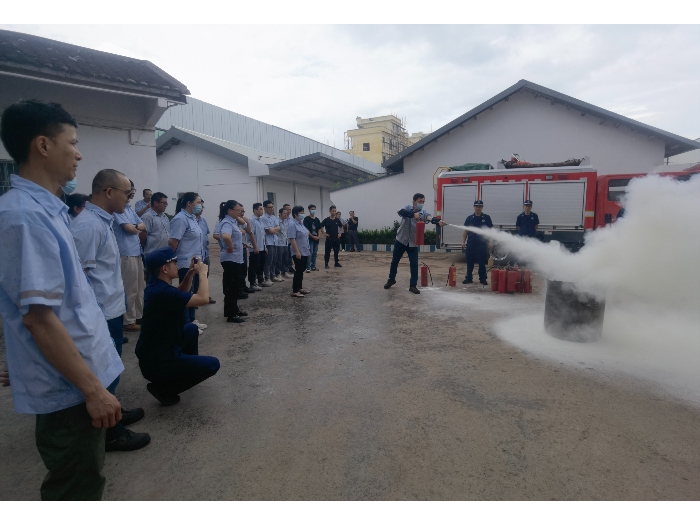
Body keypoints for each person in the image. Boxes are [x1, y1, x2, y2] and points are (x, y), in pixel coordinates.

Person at [0, 100, 122, 500]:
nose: (79, 153)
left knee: (85, 479)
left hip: (75, 374)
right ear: (43, 145)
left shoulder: (46, 210)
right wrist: (93, 391)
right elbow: (39, 319)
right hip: (69, 389)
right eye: (72, 142)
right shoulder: (24, 216)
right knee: (76, 488)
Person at [70, 169, 151, 452]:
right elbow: (79, 279)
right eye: (126, 194)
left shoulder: (103, 221)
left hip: (111, 310)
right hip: (100, 316)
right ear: (108, 192)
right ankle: (110, 433)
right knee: (104, 372)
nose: (129, 200)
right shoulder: (88, 226)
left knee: (112, 370)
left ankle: (113, 410)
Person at [137, 247, 220, 406]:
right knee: (213, 364)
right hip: (159, 362)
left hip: (154, 354)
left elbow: (180, 294)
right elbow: (202, 299)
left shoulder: (157, 286)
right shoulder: (162, 293)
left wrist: (190, 274)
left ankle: (185, 372)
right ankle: (166, 389)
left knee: (192, 329)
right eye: (174, 262)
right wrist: (203, 273)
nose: (177, 265)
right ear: (165, 268)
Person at [384, 193, 444, 294]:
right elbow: (399, 211)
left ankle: (413, 285)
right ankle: (391, 279)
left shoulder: (423, 213)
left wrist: (438, 221)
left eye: (423, 202)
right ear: (414, 202)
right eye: (420, 201)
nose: (421, 204)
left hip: (413, 242)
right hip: (401, 240)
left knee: (414, 264)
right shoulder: (407, 207)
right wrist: (412, 214)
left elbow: (429, 217)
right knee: (395, 261)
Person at [113, 180, 146, 332]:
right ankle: (128, 321)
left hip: (137, 252)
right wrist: (135, 228)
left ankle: (139, 315)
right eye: (130, 189)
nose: (132, 192)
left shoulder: (129, 208)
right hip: (126, 254)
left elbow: (142, 225)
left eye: (133, 189)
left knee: (140, 288)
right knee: (130, 289)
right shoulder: (117, 210)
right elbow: (129, 229)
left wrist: (135, 227)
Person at [169, 192, 205, 327]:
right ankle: (185, 324)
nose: (200, 205)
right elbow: (173, 242)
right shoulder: (180, 219)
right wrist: (172, 261)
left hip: (195, 261)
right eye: (198, 202)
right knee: (185, 294)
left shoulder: (192, 218)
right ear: (189, 203)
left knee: (193, 292)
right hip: (185, 262)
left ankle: (192, 320)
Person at [218, 200, 247, 323]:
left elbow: (244, 224)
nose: (239, 213)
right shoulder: (226, 222)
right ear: (230, 210)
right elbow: (225, 236)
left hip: (235, 259)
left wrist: (238, 216)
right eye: (237, 210)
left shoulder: (232, 221)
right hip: (230, 259)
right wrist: (231, 247)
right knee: (231, 286)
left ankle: (234, 309)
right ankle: (231, 314)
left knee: (235, 286)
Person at [461, 200, 493, 285]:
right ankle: (468, 278)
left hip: (482, 245)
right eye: (476, 206)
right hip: (471, 244)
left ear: (482, 207)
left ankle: (482, 279)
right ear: (474, 207)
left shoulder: (486, 218)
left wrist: (490, 241)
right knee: (469, 262)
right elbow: (465, 231)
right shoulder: (469, 218)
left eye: (479, 206)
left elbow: (490, 231)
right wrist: (463, 242)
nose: (478, 208)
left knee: (482, 262)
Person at [287, 206, 311, 298]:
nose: (302, 214)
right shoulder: (292, 224)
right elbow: (292, 239)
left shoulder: (301, 224)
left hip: (304, 250)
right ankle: (295, 290)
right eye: (301, 213)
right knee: (298, 270)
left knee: (302, 270)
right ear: (295, 214)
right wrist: (297, 252)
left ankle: (300, 287)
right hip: (298, 251)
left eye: (303, 212)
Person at [238, 206, 260, 293]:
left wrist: (247, 223)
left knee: (243, 269)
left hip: (243, 248)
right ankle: (239, 288)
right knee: (238, 270)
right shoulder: (230, 222)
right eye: (240, 211)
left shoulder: (243, 221)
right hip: (235, 250)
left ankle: (243, 286)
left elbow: (249, 232)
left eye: (243, 211)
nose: (242, 213)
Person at [142, 191, 171, 258]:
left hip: (164, 252)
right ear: (156, 203)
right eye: (164, 203)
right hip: (153, 253)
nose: (165, 205)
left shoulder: (165, 217)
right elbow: (142, 237)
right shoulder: (147, 217)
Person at [261, 200, 281, 286]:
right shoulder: (263, 218)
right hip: (268, 242)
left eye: (272, 207)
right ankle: (267, 277)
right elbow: (267, 230)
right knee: (268, 261)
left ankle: (273, 275)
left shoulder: (274, 217)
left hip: (275, 241)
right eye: (269, 207)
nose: (271, 209)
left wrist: (273, 230)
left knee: (274, 260)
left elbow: (278, 228)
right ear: (265, 208)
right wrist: (272, 230)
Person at [250, 203, 268, 288]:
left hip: (262, 247)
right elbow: (251, 234)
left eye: (262, 209)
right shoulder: (251, 220)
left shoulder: (261, 220)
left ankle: (261, 281)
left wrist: (265, 246)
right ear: (255, 210)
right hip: (255, 248)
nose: (262, 211)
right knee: (254, 266)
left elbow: (263, 235)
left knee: (261, 265)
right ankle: (252, 283)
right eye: (260, 209)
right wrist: (255, 246)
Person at [303, 204, 322, 272]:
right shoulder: (306, 219)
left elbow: (320, 228)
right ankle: (308, 267)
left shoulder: (317, 219)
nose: (313, 210)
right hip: (310, 239)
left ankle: (313, 266)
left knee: (315, 253)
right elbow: (306, 229)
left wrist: (319, 236)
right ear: (309, 210)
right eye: (312, 209)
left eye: (314, 209)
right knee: (309, 252)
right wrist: (312, 236)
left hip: (316, 239)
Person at [275, 207, 290, 280]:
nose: (285, 215)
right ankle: (278, 273)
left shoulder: (286, 221)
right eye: (284, 213)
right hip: (279, 243)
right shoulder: (277, 221)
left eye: (286, 214)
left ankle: (285, 272)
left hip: (286, 243)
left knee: (285, 258)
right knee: (279, 259)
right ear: (280, 214)